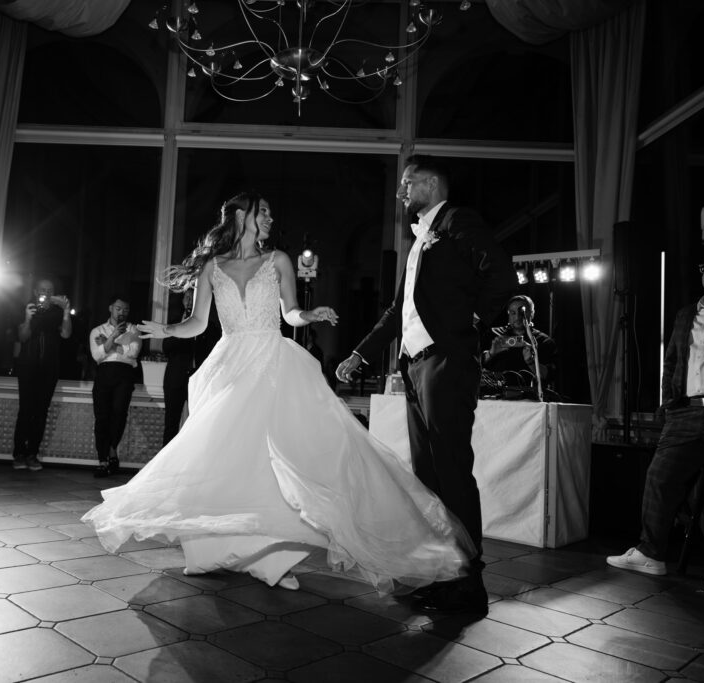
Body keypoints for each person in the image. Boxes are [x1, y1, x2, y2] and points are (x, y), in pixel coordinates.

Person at [83, 191, 473, 594]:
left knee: (276, 465)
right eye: (262, 211)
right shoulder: (212, 267)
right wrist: (163, 330)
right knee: (226, 460)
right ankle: (212, 554)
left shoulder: (279, 260)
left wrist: (309, 314)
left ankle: (271, 559)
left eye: (270, 212)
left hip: (272, 362)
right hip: (230, 365)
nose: (270, 218)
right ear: (239, 215)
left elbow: (288, 313)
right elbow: (199, 323)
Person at [336, 155, 515, 614]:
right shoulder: (418, 241)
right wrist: (359, 353)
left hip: (446, 361)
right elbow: (398, 311)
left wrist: (469, 323)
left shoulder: (457, 220)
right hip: (414, 366)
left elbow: (499, 273)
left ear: (431, 184)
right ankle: (441, 573)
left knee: (452, 470)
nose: (401, 192)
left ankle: (470, 584)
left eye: (407, 183)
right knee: (428, 477)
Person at [607, 248, 704, 594]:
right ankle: (650, 553)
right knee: (660, 476)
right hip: (687, 410)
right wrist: (669, 404)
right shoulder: (687, 314)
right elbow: (672, 360)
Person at [12, 277, 72, 471]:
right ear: (36, 292)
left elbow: (66, 334)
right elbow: (22, 337)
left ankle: (32, 454)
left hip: (49, 368)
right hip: (28, 366)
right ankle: (19, 453)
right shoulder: (27, 308)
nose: (46, 293)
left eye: (50, 289)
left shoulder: (57, 311)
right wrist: (28, 318)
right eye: (42, 290)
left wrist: (65, 312)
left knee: (41, 412)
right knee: (25, 409)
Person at [89, 295, 142, 477]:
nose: (122, 312)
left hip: (124, 375)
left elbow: (133, 353)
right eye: (119, 308)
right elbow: (97, 356)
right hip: (104, 374)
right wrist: (113, 337)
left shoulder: (133, 330)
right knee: (102, 417)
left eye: (125, 309)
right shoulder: (97, 330)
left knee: (119, 414)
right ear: (111, 308)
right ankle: (103, 459)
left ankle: (112, 451)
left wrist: (109, 345)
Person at [481, 295, 557, 395]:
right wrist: (491, 353)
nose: (517, 317)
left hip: (529, 397)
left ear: (532, 313)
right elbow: (473, 365)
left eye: (522, 313)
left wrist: (531, 362)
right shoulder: (494, 334)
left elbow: (550, 375)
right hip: (495, 395)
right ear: (508, 314)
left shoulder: (543, 341)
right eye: (513, 313)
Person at [162, 290, 196, 446]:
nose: (189, 301)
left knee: (196, 423)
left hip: (196, 377)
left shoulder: (208, 325)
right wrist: (182, 330)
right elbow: (166, 347)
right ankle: (165, 465)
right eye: (187, 298)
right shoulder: (174, 323)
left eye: (193, 298)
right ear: (182, 301)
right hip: (175, 378)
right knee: (171, 422)